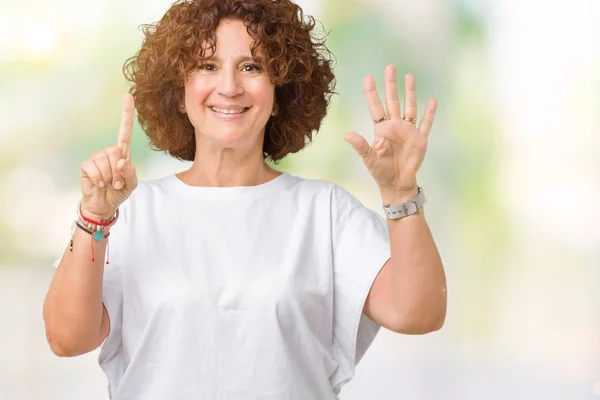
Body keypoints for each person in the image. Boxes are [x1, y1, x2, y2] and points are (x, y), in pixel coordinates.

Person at [42, 0, 447, 398]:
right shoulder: (130, 212)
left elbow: (417, 313)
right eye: (208, 66)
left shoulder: (324, 213)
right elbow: (66, 338)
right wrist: (95, 214)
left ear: (279, 90)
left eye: (251, 67)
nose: (230, 87)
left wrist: (400, 192)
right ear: (179, 89)